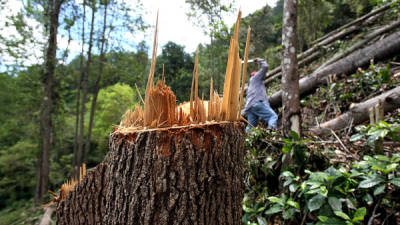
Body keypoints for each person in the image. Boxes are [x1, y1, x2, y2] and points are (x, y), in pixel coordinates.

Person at [243, 58, 278, 132]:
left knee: (251, 126)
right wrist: (260, 60)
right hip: (256, 103)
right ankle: (270, 134)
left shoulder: (250, 85)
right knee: (273, 116)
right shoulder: (256, 78)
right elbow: (265, 67)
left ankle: (245, 140)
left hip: (249, 107)